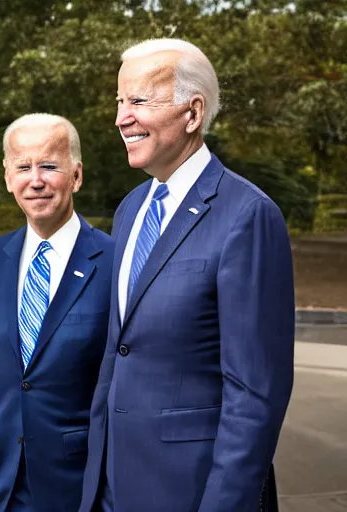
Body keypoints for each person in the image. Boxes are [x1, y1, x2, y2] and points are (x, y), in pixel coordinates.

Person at [79, 38, 294, 512]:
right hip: (114, 487)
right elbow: (119, 352)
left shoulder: (248, 215)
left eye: (137, 101)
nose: (121, 118)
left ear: (192, 113)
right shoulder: (131, 209)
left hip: (191, 492)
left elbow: (255, 394)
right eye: (119, 102)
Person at [0, 113, 114, 512]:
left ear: (76, 176)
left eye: (50, 166)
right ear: (7, 177)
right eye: (23, 167)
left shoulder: (113, 262)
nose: (35, 180)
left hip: (73, 485)